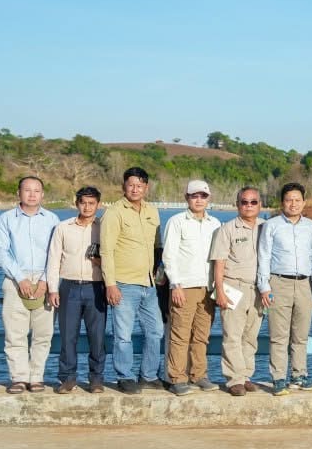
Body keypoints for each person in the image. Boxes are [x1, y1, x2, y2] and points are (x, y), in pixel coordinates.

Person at [99, 167, 164, 394]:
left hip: (149, 284)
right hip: (124, 283)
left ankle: (148, 375)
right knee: (123, 335)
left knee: (156, 331)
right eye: (131, 185)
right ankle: (124, 376)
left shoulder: (152, 211)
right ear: (123, 186)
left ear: (146, 187)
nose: (135, 189)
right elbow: (106, 250)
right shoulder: (114, 213)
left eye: (139, 185)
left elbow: (157, 245)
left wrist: (159, 274)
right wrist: (110, 284)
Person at [0, 175, 60, 393]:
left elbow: (56, 252)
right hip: (15, 279)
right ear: (18, 193)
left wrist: (45, 280)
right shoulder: (6, 219)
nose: (32, 195)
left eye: (36, 190)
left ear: (42, 194)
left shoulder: (52, 219)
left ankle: (37, 377)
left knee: (43, 334)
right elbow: (1, 252)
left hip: (45, 279)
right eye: (27, 190)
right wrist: (19, 277)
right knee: (15, 333)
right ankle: (19, 378)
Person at [257, 182, 312, 396]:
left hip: (304, 284)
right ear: (282, 202)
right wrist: (264, 286)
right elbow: (264, 256)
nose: (293, 204)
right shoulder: (271, 225)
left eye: (297, 200)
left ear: (304, 202)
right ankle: (278, 378)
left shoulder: (311, 226)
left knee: (301, 335)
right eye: (288, 200)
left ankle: (299, 375)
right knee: (278, 335)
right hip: (278, 282)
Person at [161, 180, 221, 395]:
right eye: (194, 196)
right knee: (180, 335)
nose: (199, 200)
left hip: (208, 287)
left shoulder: (215, 224)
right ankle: (177, 378)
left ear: (208, 198)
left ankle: (199, 375)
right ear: (186, 198)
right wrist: (175, 285)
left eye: (203, 196)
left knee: (202, 335)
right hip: (184, 287)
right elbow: (169, 255)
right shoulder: (177, 222)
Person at [46, 186, 107, 393]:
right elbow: (53, 259)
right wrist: (53, 289)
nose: (87, 207)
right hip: (69, 287)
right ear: (76, 203)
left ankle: (96, 379)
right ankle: (67, 378)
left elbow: (114, 257)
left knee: (97, 337)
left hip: (96, 287)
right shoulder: (63, 228)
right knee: (67, 335)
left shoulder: (104, 228)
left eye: (91, 203)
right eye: (83, 203)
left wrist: (99, 261)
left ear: (98, 205)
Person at [209, 186, 265, 396]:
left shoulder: (266, 227)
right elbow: (219, 262)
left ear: (260, 204)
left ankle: (246, 375)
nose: (249, 206)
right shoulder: (227, 229)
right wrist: (220, 291)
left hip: (258, 289)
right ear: (237, 204)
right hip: (234, 285)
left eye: (253, 202)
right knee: (232, 335)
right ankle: (234, 379)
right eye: (244, 202)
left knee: (250, 336)